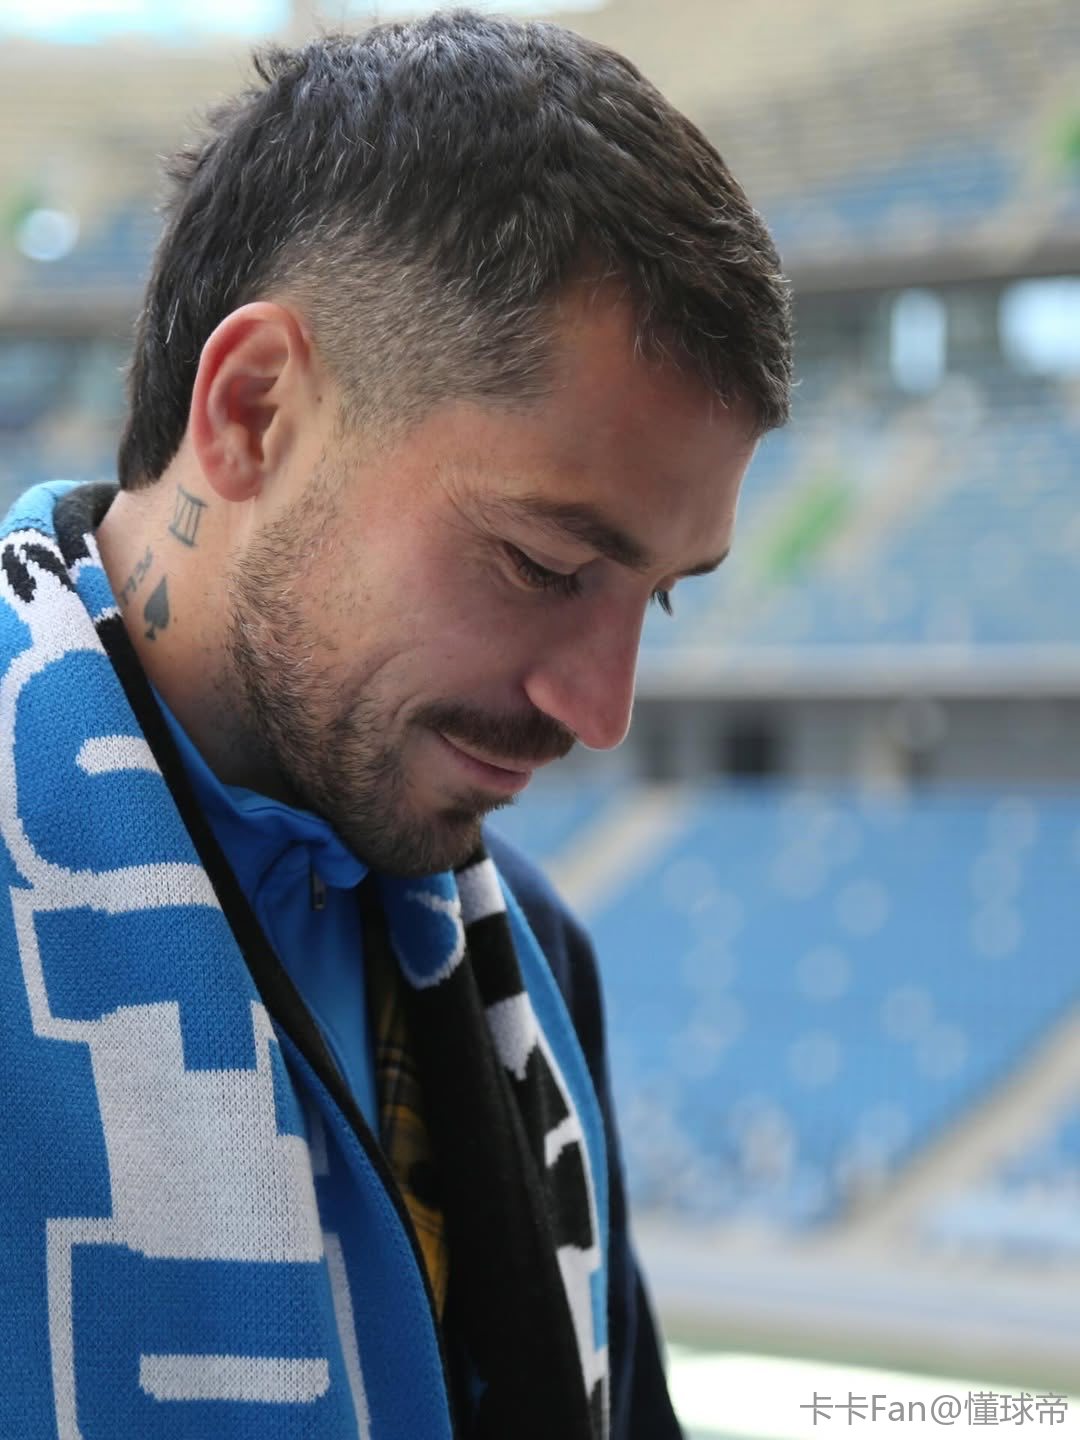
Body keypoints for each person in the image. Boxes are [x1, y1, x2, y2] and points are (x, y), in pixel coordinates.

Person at [0, 11, 791, 1438]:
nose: (600, 711)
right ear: (253, 411)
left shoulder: (538, 961)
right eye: (544, 564)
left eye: (661, 596)